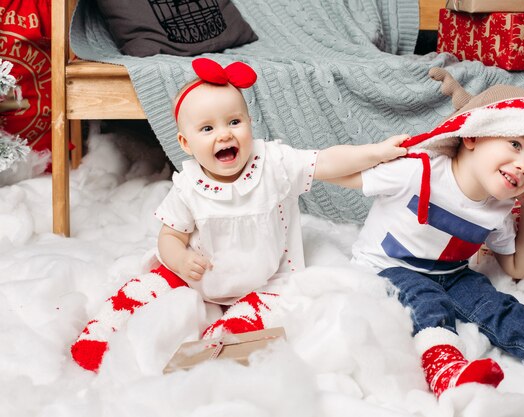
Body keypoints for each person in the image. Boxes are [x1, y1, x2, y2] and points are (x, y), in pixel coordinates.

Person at [70, 58, 408, 372]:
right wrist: (180, 259)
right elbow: (170, 235)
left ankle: (217, 345)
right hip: (196, 275)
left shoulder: (273, 164)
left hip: (263, 280)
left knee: (248, 327)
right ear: (185, 144)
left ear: (249, 124)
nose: (224, 134)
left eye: (234, 121)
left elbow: (327, 161)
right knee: (145, 286)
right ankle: (103, 330)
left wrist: (375, 152)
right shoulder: (189, 186)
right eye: (207, 129)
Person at [349, 68, 524, 417]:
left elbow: (519, 268)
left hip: (452, 273)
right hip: (389, 267)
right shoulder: (420, 171)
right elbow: (341, 173)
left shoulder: (499, 208)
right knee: (426, 302)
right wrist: (369, 155)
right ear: (475, 136)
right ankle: (448, 371)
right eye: (516, 145)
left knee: (497, 305)